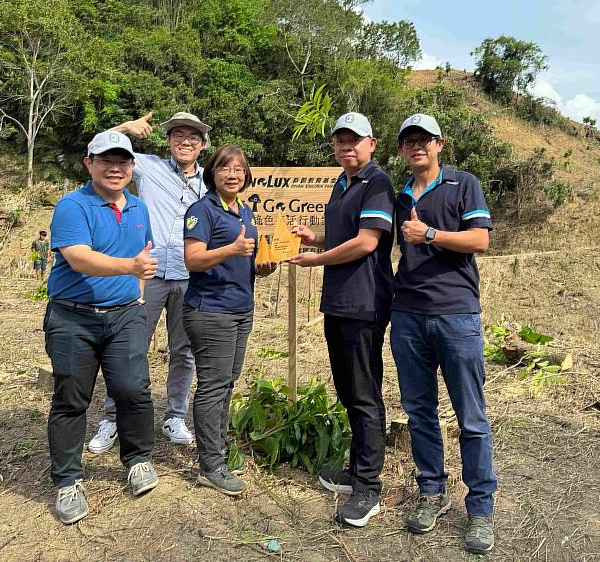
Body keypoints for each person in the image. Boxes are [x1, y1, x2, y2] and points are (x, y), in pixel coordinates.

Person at [390, 113, 497, 554]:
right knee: (419, 412)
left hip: (456, 314)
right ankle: (431, 492)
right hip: (408, 315)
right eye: (409, 141)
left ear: (440, 144)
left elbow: (480, 241)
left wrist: (430, 233)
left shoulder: (462, 183)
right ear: (400, 150)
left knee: (471, 416)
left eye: (425, 140)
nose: (417, 146)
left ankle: (481, 509)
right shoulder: (400, 196)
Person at [44, 130, 159, 525]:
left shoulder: (139, 208)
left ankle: (138, 459)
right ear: (88, 163)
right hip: (73, 316)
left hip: (126, 314)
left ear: (131, 167)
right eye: (106, 160)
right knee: (72, 397)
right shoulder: (72, 206)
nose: (115, 168)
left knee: (133, 389)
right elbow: (78, 258)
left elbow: (144, 254)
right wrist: (130, 268)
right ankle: (68, 481)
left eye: (123, 161)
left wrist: (139, 296)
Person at [289, 112, 395, 527]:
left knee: (365, 393)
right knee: (350, 390)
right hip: (338, 302)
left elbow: (366, 242)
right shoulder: (343, 182)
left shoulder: (378, 183)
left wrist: (316, 259)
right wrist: (311, 236)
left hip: (364, 303)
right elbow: (343, 234)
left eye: (355, 140)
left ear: (372, 144)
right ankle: (356, 471)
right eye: (340, 141)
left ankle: (368, 487)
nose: (347, 147)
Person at [87, 112, 209, 453]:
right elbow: (99, 149)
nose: (185, 142)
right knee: (129, 348)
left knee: (184, 351)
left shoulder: (209, 181)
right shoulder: (147, 166)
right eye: (178, 135)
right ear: (168, 140)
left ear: (202, 145)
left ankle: (175, 415)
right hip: (148, 273)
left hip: (190, 276)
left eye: (193, 137)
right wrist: (124, 128)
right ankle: (113, 417)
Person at [182, 145, 276, 496]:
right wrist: (232, 250)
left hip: (240, 308)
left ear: (247, 176)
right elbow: (193, 260)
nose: (233, 174)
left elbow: (241, 263)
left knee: (226, 383)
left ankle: (217, 453)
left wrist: (261, 268)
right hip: (210, 310)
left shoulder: (244, 212)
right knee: (213, 385)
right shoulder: (202, 210)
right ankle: (211, 466)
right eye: (225, 168)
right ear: (212, 174)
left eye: (239, 169)